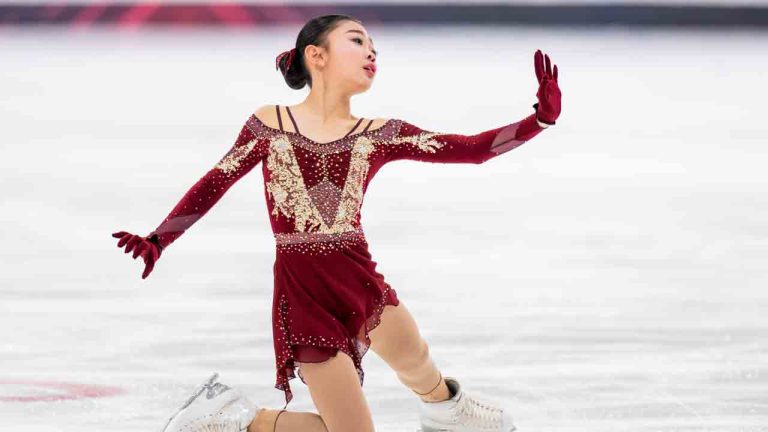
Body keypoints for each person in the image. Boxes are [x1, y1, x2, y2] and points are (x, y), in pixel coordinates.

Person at [112, 14, 561, 432]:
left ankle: (449, 411)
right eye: (358, 41)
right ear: (316, 55)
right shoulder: (270, 124)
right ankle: (234, 417)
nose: (372, 54)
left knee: (417, 363)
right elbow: (218, 179)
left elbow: (470, 149)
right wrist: (160, 238)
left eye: (375, 50)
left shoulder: (380, 131)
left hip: (358, 278)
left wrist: (537, 121)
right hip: (304, 293)